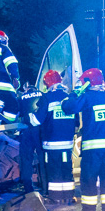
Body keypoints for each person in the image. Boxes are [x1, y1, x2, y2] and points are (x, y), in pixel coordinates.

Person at [61, 68, 105, 211]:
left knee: (88, 179)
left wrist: (74, 93)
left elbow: (68, 108)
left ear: (87, 83)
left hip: (92, 149)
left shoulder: (87, 97)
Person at [35, 69, 76, 203]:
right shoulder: (69, 97)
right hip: (67, 142)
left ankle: (55, 198)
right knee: (66, 168)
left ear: (47, 83)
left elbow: (38, 120)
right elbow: (77, 122)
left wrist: (28, 118)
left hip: (51, 142)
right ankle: (69, 197)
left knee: (54, 170)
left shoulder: (46, 98)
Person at [18, 81, 43, 193]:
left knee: (26, 160)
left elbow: (17, 113)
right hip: (40, 130)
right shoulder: (42, 95)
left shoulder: (22, 97)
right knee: (42, 158)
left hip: (26, 130)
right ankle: (45, 185)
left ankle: (28, 188)